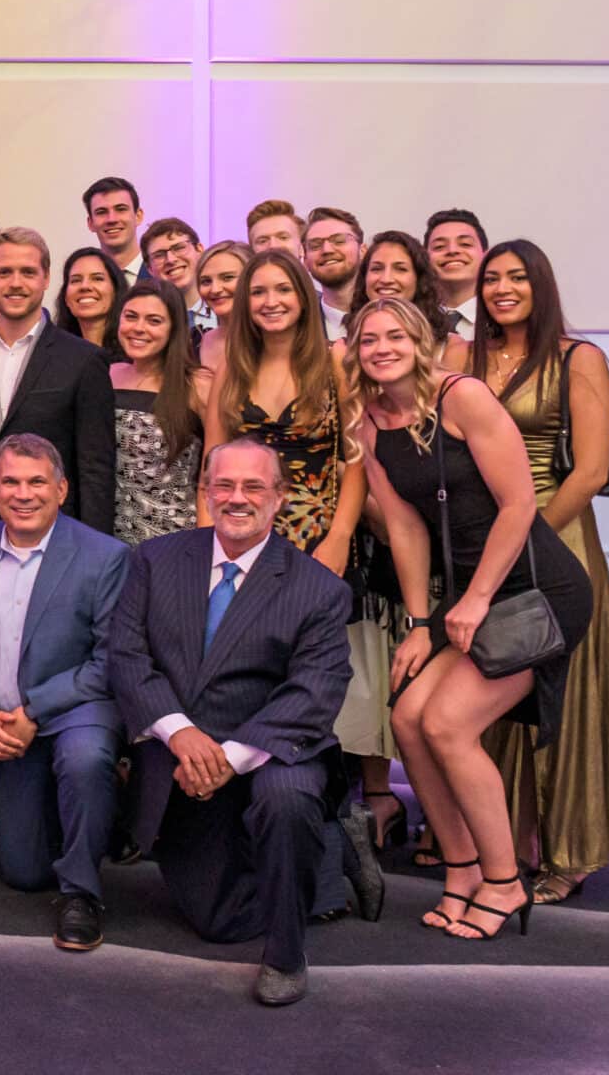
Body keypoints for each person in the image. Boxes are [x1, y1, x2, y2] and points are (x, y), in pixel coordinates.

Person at [106, 439, 379, 1007]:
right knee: (218, 921)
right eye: (224, 485)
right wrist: (181, 733)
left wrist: (228, 758)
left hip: (276, 749)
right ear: (206, 493)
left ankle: (286, 953)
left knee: (286, 801)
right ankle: (327, 854)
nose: (237, 498)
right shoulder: (152, 561)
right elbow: (127, 658)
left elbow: (313, 693)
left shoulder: (319, 590)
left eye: (254, 486)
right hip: (182, 754)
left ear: (280, 497)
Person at [359, 299, 593, 941]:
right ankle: (461, 870)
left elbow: (519, 505)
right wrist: (418, 624)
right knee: (407, 719)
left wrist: (477, 599)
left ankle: (504, 878)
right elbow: (406, 527)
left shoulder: (463, 397)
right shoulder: (371, 423)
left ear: (422, 341)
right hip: (465, 596)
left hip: (533, 589)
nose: (382, 348)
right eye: (368, 339)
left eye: (395, 335)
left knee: (448, 724)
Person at [464, 240, 609, 904]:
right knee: (494, 689)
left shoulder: (577, 357)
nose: (502, 288)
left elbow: (590, 470)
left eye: (517, 277)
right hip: (487, 542)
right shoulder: (467, 360)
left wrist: (525, 540)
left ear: (541, 285)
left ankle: (571, 847)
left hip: (556, 538)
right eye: (491, 279)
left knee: (564, 690)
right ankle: (511, 839)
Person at [0, 436, 128, 952]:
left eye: (37, 482)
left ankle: (82, 893)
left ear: (61, 489)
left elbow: (109, 661)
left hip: (76, 711)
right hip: (2, 724)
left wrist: (35, 711)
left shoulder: (105, 556)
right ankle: (86, 819)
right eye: (11, 482)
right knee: (23, 872)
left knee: (85, 759)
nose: (24, 494)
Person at [203, 250, 374, 817]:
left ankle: (320, 813)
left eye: (283, 289)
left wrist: (340, 536)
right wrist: (207, 549)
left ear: (303, 295)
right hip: (241, 539)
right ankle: (245, 804)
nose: (271, 301)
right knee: (247, 669)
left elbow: (356, 461)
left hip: (315, 541)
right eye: (258, 291)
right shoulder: (232, 368)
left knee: (311, 679)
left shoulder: (336, 361)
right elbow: (212, 465)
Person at [0, 227, 119, 545]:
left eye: (28, 272)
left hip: (54, 541)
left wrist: (95, 552)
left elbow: (96, 469)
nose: (16, 283)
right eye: (4, 272)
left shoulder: (83, 360)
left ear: (46, 278)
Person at [111, 283, 211, 545]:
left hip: (174, 539)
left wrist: (206, 543)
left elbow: (213, 476)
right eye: (131, 316)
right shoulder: (106, 375)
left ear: (174, 328)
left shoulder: (198, 386)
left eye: (154, 321)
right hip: (108, 541)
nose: (139, 328)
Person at [348, 230, 464, 365]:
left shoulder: (451, 347)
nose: (386, 279)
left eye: (400, 269)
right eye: (376, 269)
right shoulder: (344, 347)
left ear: (419, 279)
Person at [54, 247, 128, 362]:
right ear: (66, 298)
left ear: (116, 291)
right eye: (76, 280)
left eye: (97, 278)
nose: (85, 286)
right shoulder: (53, 356)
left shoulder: (135, 354)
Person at [424, 209, 489, 335]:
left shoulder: (503, 320)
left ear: (485, 255)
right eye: (439, 246)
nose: (452, 251)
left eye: (465, 244)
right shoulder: (411, 320)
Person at [141, 218, 207, 333]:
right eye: (159, 255)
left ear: (199, 250)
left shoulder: (230, 311)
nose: (170, 260)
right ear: (150, 269)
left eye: (179, 248)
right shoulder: (144, 324)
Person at [193, 241, 253, 364]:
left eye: (227, 278)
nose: (215, 289)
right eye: (206, 281)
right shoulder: (194, 341)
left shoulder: (271, 342)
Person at [303, 208, 364, 326]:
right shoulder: (299, 327)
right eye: (315, 245)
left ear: (362, 251)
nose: (327, 250)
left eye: (339, 241)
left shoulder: (391, 314)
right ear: (305, 260)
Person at [82, 177, 145, 279]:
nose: (112, 219)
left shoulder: (162, 275)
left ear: (138, 216)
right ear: (91, 223)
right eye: (101, 212)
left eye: (121, 209)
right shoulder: (83, 283)